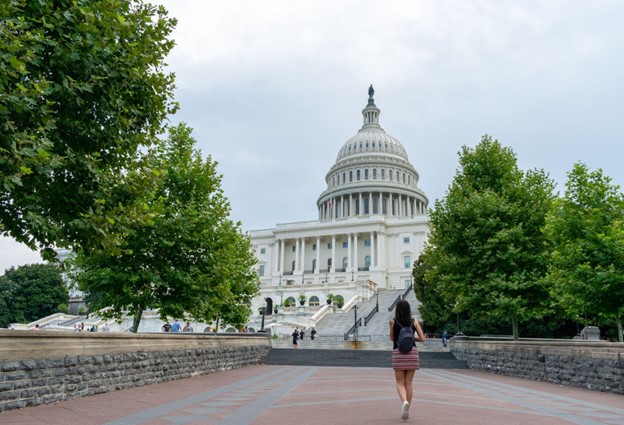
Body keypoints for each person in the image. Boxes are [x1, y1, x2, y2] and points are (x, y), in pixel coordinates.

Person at [390, 299, 425, 421]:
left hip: (398, 353)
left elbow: (392, 338)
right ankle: (407, 408)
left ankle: (404, 401)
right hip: (412, 353)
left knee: (400, 382)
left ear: (397, 310)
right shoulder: (414, 321)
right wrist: (411, 338)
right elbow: (422, 338)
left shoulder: (393, 322)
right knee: (409, 383)